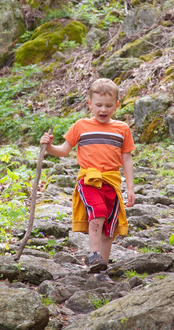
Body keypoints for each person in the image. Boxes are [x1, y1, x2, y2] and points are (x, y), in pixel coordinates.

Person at [40, 78, 135, 273]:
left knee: (109, 228)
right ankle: (93, 254)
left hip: (112, 181)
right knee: (97, 213)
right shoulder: (81, 126)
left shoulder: (122, 129)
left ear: (116, 106)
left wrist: (131, 188)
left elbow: (127, 159)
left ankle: (102, 268)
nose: (103, 109)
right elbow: (64, 150)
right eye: (98, 105)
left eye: (108, 106)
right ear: (90, 104)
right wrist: (49, 147)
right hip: (88, 180)